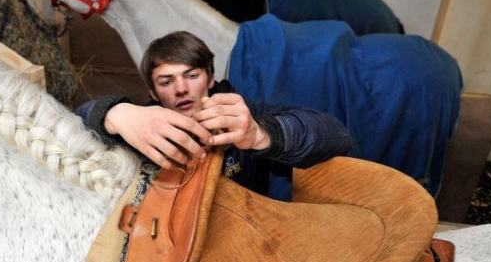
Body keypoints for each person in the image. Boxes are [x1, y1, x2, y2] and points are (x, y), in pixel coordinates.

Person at [75, 31, 352, 200]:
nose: (181, 89)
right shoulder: (142, 123)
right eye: (166, 81)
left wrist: (261, 133)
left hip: (247, 243)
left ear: (210, 78)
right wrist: (113, 113)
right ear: (153, 92)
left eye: (192, 76)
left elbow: (335, 135)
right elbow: (72, 125)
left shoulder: (244, 114)